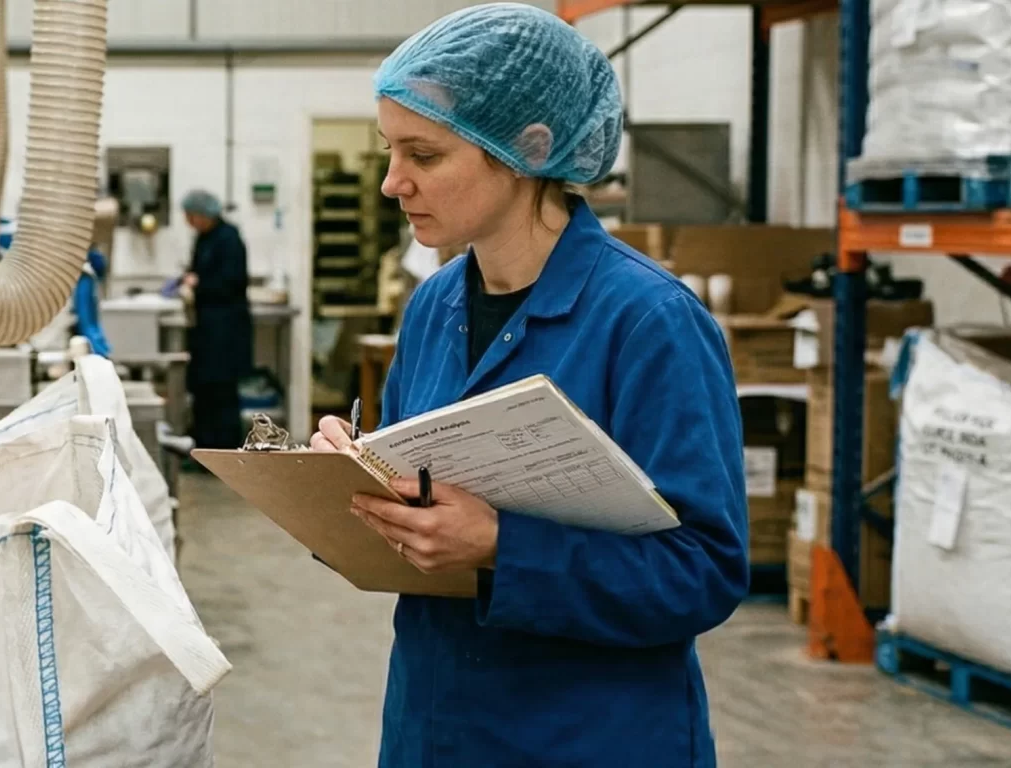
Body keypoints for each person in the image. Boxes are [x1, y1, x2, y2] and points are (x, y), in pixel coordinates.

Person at [306, 5, 746, 766]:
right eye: (389, 150)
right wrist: (351, 484)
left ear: (528, 149)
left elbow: (703, 571)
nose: (391, 182)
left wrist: (503, 546)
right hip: (436, 725)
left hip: (587, 737)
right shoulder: (433, 308)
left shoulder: (649, 321)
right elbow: (419, 516)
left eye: (424, 154)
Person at [180, 189, 252, 456]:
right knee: (204, 390)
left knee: (222, 392)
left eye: (191, 217)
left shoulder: (228, 239)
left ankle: (224, 450)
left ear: (204, 215)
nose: (190, 223)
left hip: (225, 329)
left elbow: (231, 282)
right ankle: (203, 448)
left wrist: (198, 284)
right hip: (207, 327)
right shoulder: (204, 238)